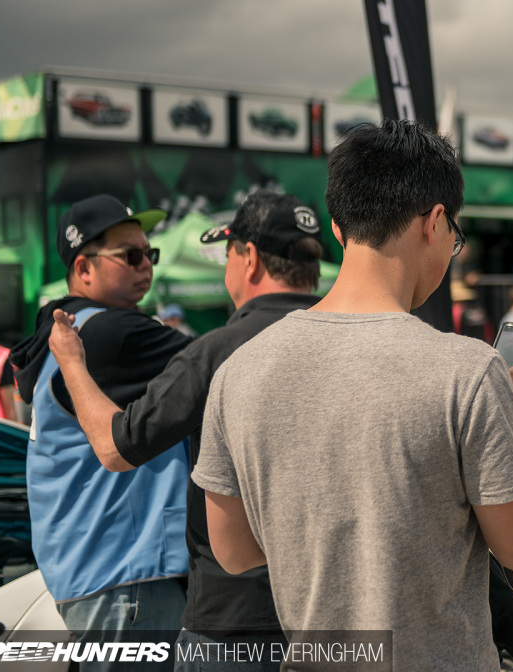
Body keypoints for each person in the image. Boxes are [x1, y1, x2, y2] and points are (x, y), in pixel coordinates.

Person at [192, 120, 513, 671]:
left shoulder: (240, 371)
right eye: (455, 238)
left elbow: (235, 552)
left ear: (338, 228)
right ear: (435, 223)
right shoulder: (468, 372)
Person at [48, 191, 325, 670]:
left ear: (250, 258)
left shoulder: (215, 353)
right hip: (340, 611)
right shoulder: (365, 341)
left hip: (235, 616)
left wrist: (71, 362)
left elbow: (116, 448)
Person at [9, 194, 193, 655]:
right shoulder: (109, 333)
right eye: (130, 256)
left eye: (149, 254)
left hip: (98, 571)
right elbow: (222, 356)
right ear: (84, 268)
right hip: (127, 575)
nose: (145, 265)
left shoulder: (74, 331)